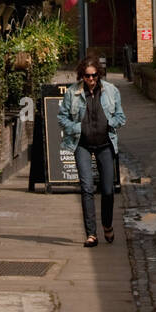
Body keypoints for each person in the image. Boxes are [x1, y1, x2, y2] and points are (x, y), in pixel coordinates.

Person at [58, 57, 126, 247]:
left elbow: (121, 117)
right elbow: (62, 118)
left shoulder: (111, 91)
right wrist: (77, 127)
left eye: (94, 75)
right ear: (82, 75)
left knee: (107, 190)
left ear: (99, 74)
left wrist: (109, 124)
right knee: (87, 187)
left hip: (105, 144)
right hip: (82, 144)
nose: (91, 79)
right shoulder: (72, 92)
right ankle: (91, 234)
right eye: (87, 76)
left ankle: (107, 225)